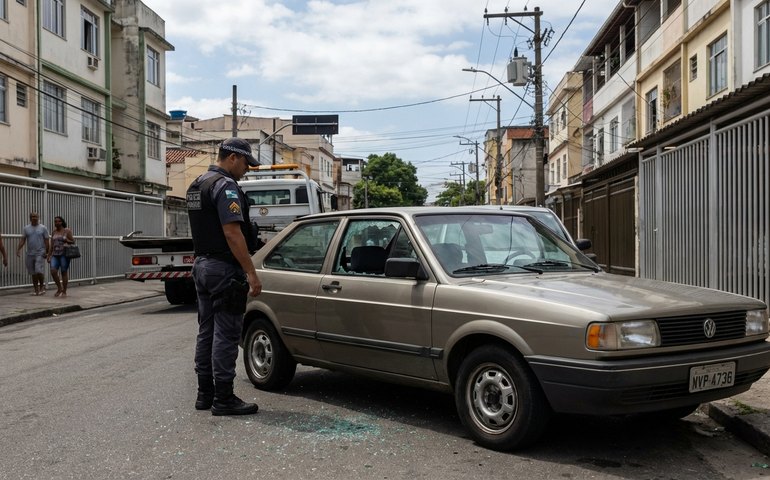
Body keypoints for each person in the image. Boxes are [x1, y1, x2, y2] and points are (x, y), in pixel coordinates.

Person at [186, 137, 262, 416]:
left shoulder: (197, 184)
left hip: (202, 266)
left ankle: (204, 394)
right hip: (223, 269)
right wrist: (251, 272)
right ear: (232, 158)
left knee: (206, 331)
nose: (247, 169)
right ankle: (224, 398)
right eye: (245, 163)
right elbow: (232, 232)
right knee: (226, 334)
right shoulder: (225, 186)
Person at [16, 212, 51, 295]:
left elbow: (46, 240)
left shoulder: (43, 228)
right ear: (30, 218)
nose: (34, 218)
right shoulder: (26, 228)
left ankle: (42, 287)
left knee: (38, 270)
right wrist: (18, 249)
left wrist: (47, 252)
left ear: (38, 217)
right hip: (30, 253)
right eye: (32, 216)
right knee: (33, 272)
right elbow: (23, 240)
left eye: (36, 216)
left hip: (40, 252)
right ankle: (36, 290)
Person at [48, 216, 75, 297]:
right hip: (55, 254)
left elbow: (73, 241)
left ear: (62, 222)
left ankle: (64, 291)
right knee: (53, 271)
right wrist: (49, 255)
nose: (57, 223)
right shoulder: (54, 232)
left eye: (59, 221)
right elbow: (52, 245)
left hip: (64, 254)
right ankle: (59, 288)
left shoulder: (67, 231)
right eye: (55, 221)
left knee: (64, 272)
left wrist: (67, 240)